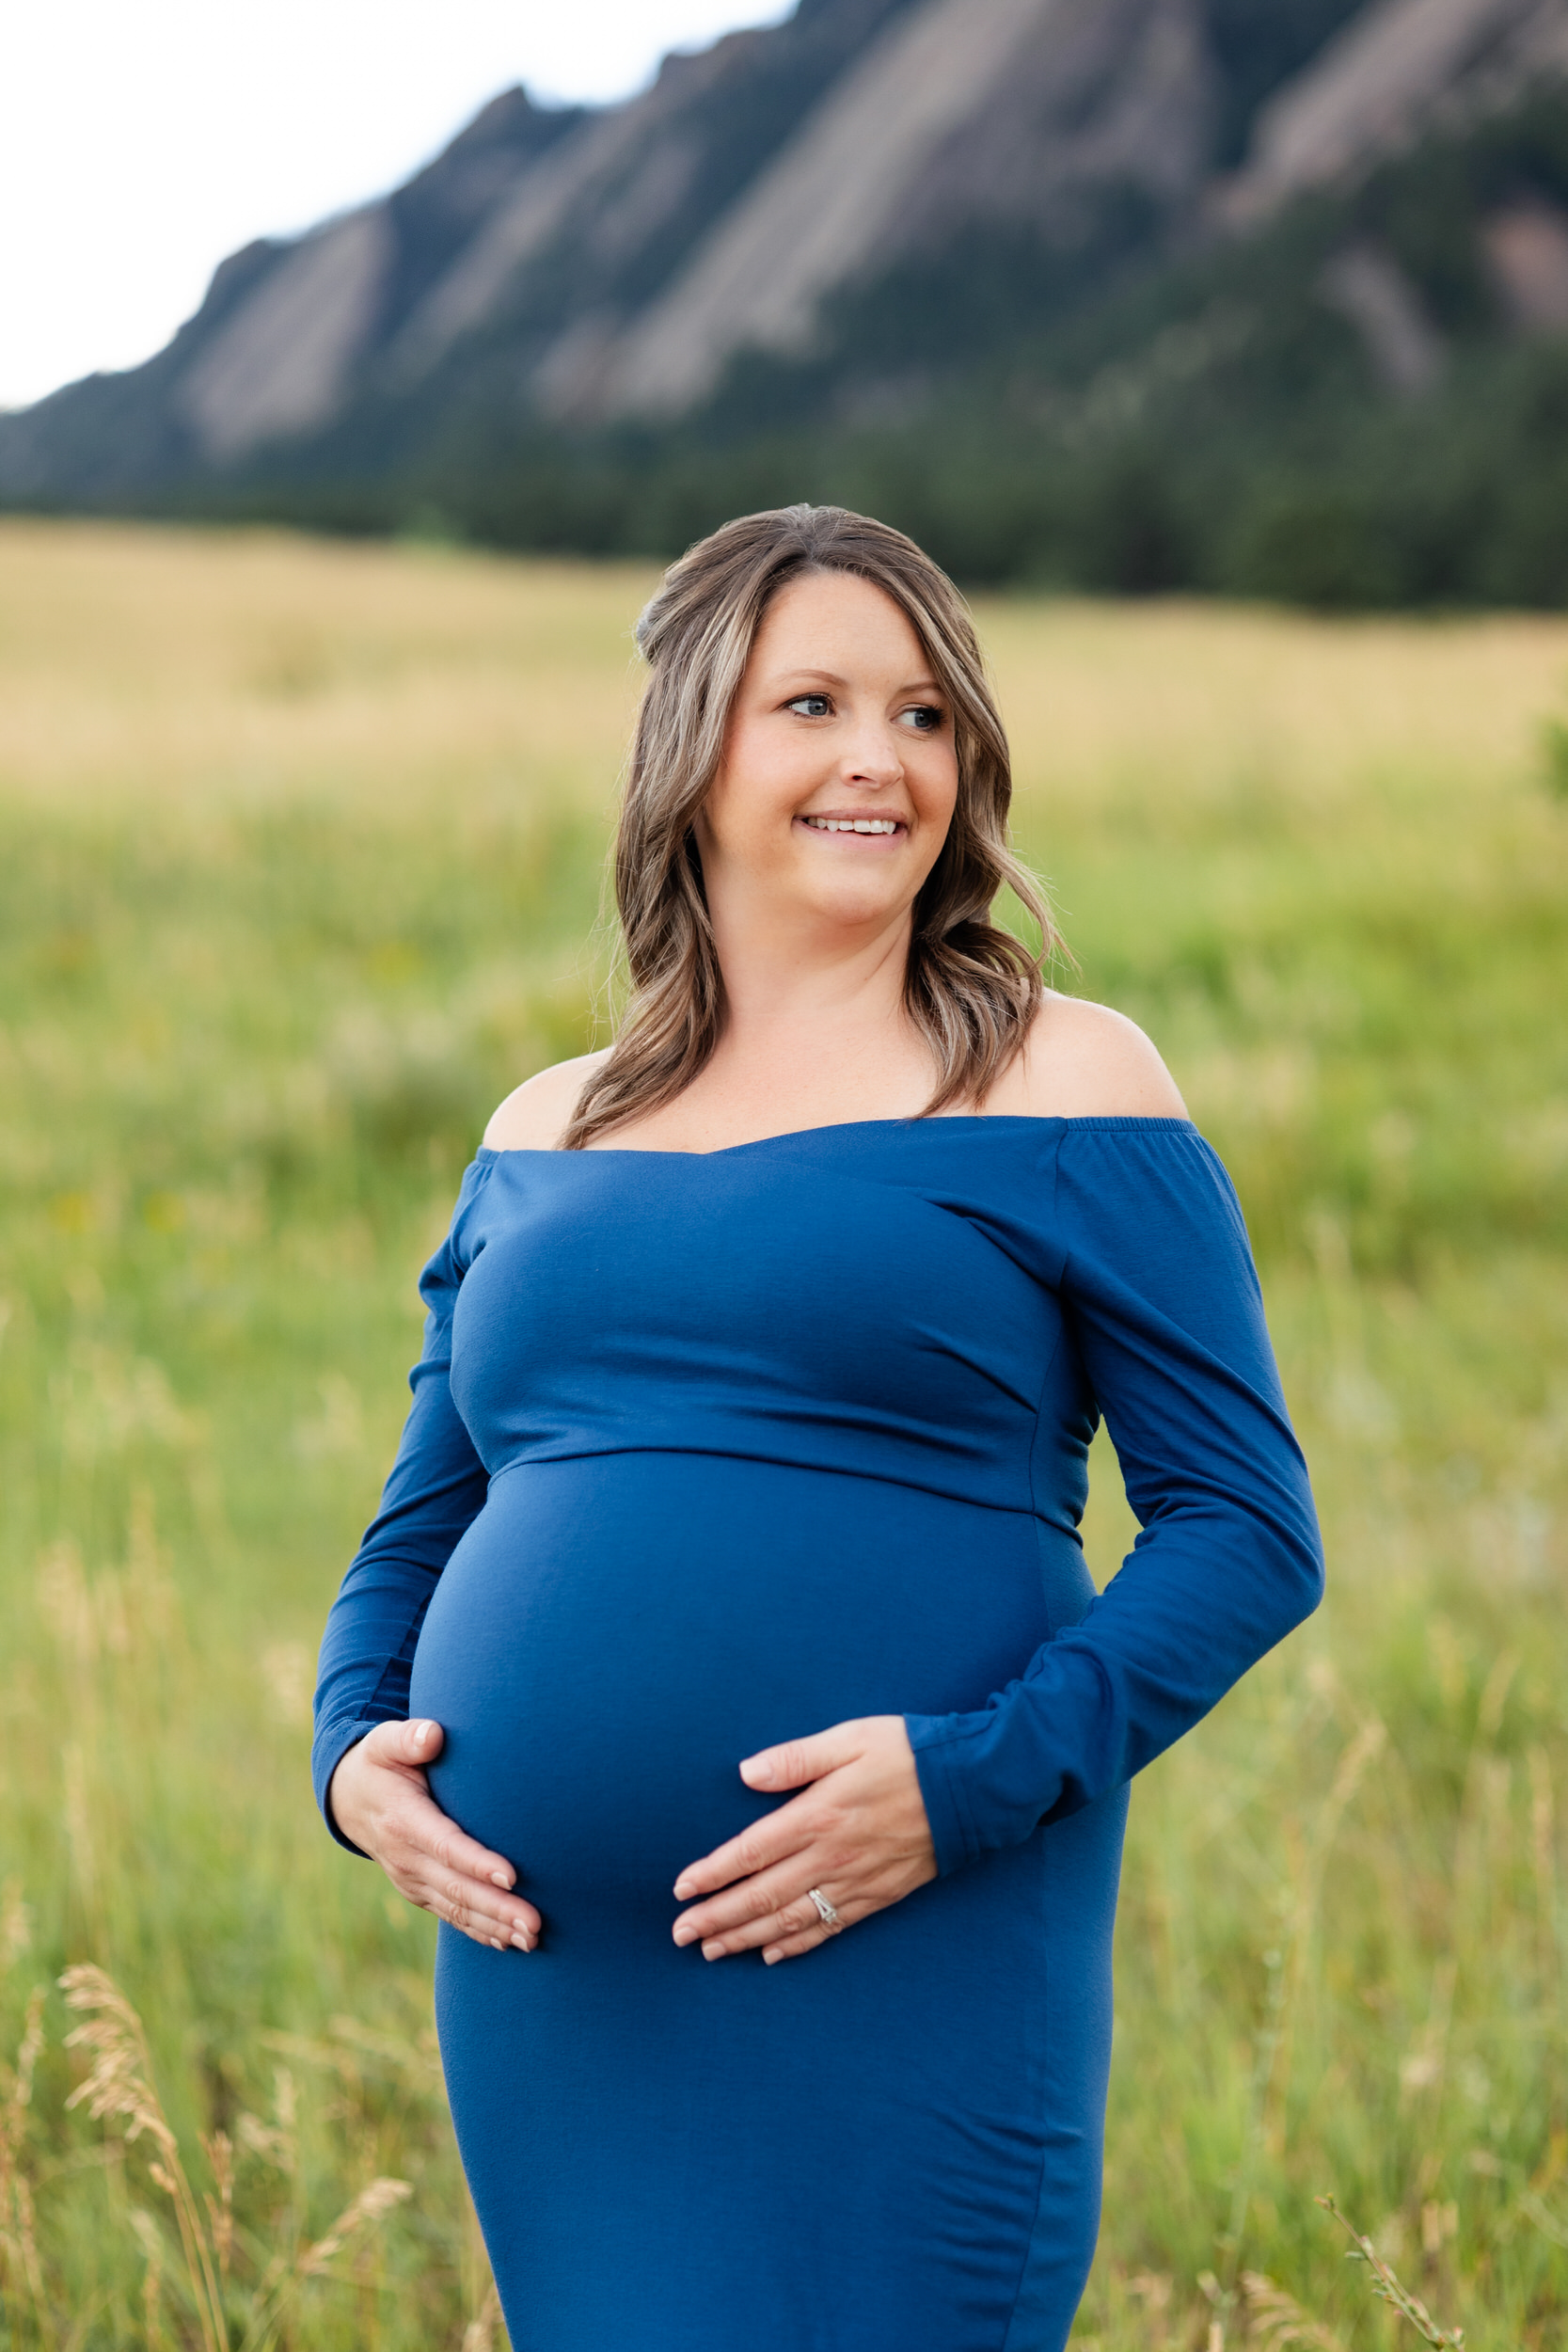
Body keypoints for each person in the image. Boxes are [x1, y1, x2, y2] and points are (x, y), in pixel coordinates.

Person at [312, 503, 1323, 2352]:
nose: (881, 758)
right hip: (562, 1986)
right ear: (690, 748)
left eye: (927, 714)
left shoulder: (1067, 1075)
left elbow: (1247, 1527)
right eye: (816, 704)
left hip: (904, 1925)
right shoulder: (546, 1122)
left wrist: (967, 1782)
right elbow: (421, 1520)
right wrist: (348, 1754)